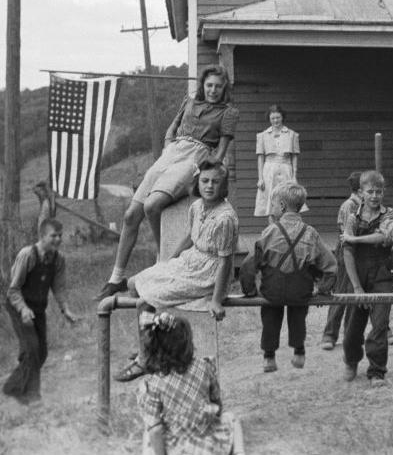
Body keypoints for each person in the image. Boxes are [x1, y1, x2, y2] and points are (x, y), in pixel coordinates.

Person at [96, 66, 239, 300]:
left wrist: (203, 170)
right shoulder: (190, 101)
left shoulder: (228, 112)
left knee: (152, 205)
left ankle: (162, 260)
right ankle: (115, 278)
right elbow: (172, 128)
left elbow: (220, 151)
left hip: (196, 155)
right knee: (131, 214)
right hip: (172, 152)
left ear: (224, 89)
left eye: (218, 86)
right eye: (209, 85)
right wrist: (168, 147)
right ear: (203, 85)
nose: (213, 90)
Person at [114, 161, 238, 382]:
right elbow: (191, 236)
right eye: (205, 181)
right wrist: (169, 260)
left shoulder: (225, 218)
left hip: (207, 272)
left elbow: (225, 262)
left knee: (144, 302)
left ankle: (144, 360)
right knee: (133, 284)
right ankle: (153, 345)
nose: (209, 186)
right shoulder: (197, 207)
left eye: (216, 182)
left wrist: (217, 300)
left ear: (224, 185)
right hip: (190, 260)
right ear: (198, 183)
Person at [240, 182, 336, 373]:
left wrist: (250, 291)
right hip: (300, 291)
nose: (271, 209)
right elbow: (331, 266)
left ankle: (269, 357)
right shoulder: (311, 233)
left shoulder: (270, 232)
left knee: (270, 316)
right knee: (298, 315)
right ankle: (299, 352)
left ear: (282, 206)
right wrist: (323, 290)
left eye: (273, 205)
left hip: (272, 292)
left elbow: (247, 266)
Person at [138, 312, 239, 455]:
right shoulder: (204, 366)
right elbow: (217, 402)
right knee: (231, 419)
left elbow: (155, 429)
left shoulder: (153, 384)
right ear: (187, 342)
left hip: (176, 448)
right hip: (207, 445)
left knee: (149, 431)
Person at [4, 218, 81, 404]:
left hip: (38, 308)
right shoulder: (27, 255)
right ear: (42, 236)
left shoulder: (58, 259)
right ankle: (32, 397)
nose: (57, 240)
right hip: (18, 306)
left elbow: (59, 288)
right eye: (53, 236)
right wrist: (23, 310)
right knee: (31, 350)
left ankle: (13, 387)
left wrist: (66, 310)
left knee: (42, 352)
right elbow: (13, 289)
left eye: (60, 236)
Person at [340, 170, 393, 386]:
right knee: (354, 326)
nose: (374, 196)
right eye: (370, 191)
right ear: (361, 193)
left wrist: (355, 238)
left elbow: (384, 236)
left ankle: (376, 371)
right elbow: (347, 252)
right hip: (358, 274)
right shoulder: (352, 217)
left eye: (379, 192)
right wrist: (356, 287)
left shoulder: (389, 214)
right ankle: (351, 360)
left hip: (382, 273)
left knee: (380, 324)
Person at [320, 171, 363, 350]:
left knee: (356, 292)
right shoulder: (350, 206)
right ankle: (329, 335)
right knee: (341, 291)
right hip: (347, 251)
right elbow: (347, 234)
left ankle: (350, 334)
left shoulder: (363, 205)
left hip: (360, 251)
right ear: (360, 189)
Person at [253, 105, 307, 217]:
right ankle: (273, 229)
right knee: (271, 201)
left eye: (278, 117)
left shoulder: (292, 135)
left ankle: (287, 228)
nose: (275, 120)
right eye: (273, 118)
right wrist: (260, 178)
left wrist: (294, 176)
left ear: (282, 117)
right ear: (269, 119)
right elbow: (260, 157)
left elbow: (294, 157)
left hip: (286, 168)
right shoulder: (262, 136)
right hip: (269, 170)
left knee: (288, 197)